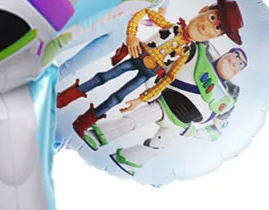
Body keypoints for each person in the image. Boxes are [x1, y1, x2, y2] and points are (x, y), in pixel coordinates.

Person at [60, 0, 244, 143]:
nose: (208, 26)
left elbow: (168, 78)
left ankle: (84, 123)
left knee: (118, 97)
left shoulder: (186, 53)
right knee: (104, 77)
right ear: (203, 10)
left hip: (148, 73)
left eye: (217, 28)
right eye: (212, 17)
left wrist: (142, 99)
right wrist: (131, 36)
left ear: (216, 36)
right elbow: (144, 12)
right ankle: (64, 97)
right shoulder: (170, 27)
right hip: (138, 56)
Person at [93, 46, 248, 175]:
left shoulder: (229, 98)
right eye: (235, 56)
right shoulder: (197, 54)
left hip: (180, 124)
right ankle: (97, 135)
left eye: (240, 64)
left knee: (156, 147)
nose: (235, 63)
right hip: (163, 104)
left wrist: (193, 132)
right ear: (226, 54)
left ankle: (128, 161)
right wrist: (152, 89)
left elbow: (216, 131)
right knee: (131, 122)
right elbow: (164, 65)